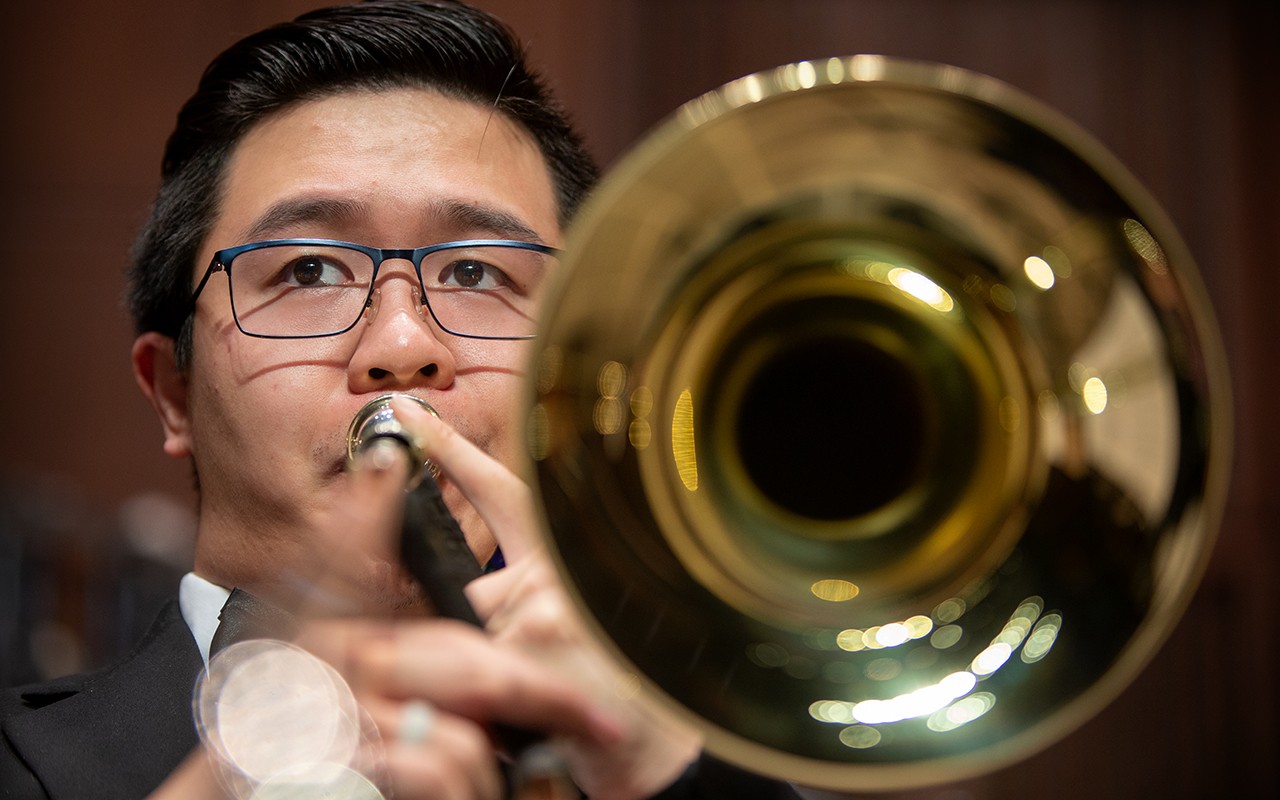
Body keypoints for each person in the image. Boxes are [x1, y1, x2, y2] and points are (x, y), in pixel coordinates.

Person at [0, 1, 801, 798]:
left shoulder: (700, 773)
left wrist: (663, 773)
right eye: (308, 269)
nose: (403, 346)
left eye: (477, 272)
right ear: (174, 394)